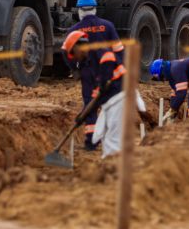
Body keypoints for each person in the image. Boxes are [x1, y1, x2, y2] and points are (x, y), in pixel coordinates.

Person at [61, 29, 143, 157]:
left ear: (78, 47)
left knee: (112, 139)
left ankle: (116, 167)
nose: (74, 57)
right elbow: (96, 93)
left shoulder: (96, 51)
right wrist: (84, 114)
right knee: (103, 134)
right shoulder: (88, 63)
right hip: (111, 100)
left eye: (73, 53)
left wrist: (104, 79)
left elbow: (108, 58)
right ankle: (110, 165)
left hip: (121, 96)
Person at [66, 0, 124, 150]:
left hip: (88, 73)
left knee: (89, 106)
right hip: (107, 72)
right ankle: (111, 139)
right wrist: (117, 69)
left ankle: (91, 141)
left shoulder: (74, 30)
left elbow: (67, 52)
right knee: (109, 106)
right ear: (95, 9)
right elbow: (119, 51)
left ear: (79, 10)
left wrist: (74, 69)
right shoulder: (108, 26)